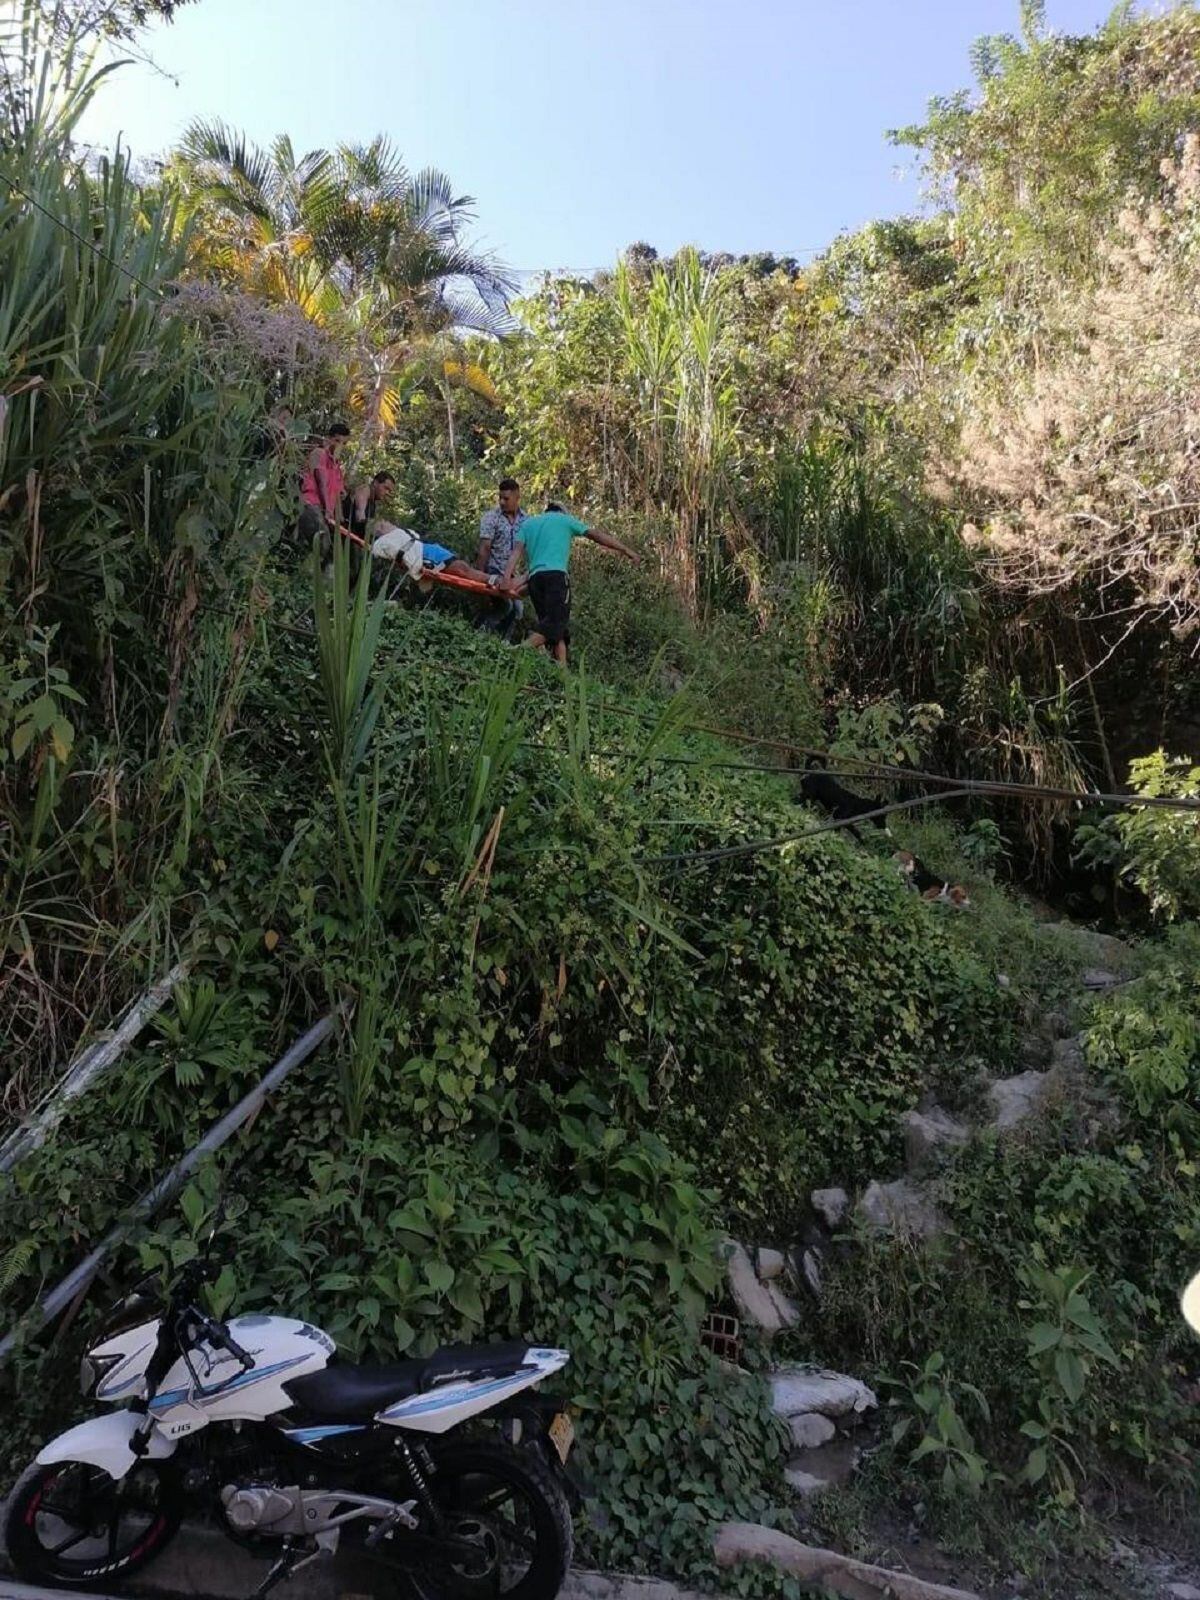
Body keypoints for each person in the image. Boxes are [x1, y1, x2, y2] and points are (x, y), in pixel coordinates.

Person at [500, 500, 639, 666]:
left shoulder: (529, 524)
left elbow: (516, 552)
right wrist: (625, 550)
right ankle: (517, 651)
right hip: (556, 577)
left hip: (535, 581)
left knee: (557, 628)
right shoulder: (565, 520)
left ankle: (563, 674)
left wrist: (506, 579)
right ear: (562, 512)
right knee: (554, 623)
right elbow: (597, 536)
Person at [476, 477, 526, 639]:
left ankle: (502, 642)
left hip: (512, 574)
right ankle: (480, 633)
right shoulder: (492, 518)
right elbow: (484, 548)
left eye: (506, 498)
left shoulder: (526, 521)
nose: (502, 502)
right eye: (500, 498)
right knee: (506, 606)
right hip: (494, 570)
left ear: (517, 497)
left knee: (518, 610)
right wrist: (479, 576)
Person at [298, 422, 351, 559]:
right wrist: (328, 510)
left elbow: (338, 495)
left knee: (333, 548)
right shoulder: (319, 453)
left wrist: (339, 520)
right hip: (310, 503)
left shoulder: (337, 467)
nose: (339, 446)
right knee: (322, 540)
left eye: (343, 443)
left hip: (324, 512)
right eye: (337, 441)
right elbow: (321, 482)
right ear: (329, 439)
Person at [345, 469, 396, 539]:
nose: (387, 492)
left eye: (389, 491)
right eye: (386, 488)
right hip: (346, 529)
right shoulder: (364, 490)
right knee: (384, 526)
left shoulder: (373, 502)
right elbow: (360, 520)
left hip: (356, 532)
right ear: (375, 483)